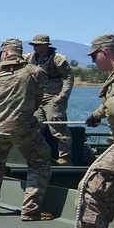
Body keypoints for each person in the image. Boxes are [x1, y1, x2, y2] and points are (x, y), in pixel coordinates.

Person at [66, 34, 114, 228]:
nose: (93, 61)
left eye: (94, 56)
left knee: (88, 188)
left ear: (106, 52)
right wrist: (95, 115)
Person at [0, 38, 52, 221]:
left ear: (4, 53)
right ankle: (30, 210)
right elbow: (38, 101)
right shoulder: (34, 72)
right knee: (40, 163)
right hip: (24, 129)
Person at [24, 33, 75, 165]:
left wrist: (63, 95)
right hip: (37, 97)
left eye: (38, 45)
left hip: (53, 96)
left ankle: (65, 157)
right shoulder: (30, 58)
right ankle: (37, 155)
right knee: (35, 126)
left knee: (57, 126)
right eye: (34, 45)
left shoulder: (57, 59)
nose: (35, 47)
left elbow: (68, 77)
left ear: (46, 46)